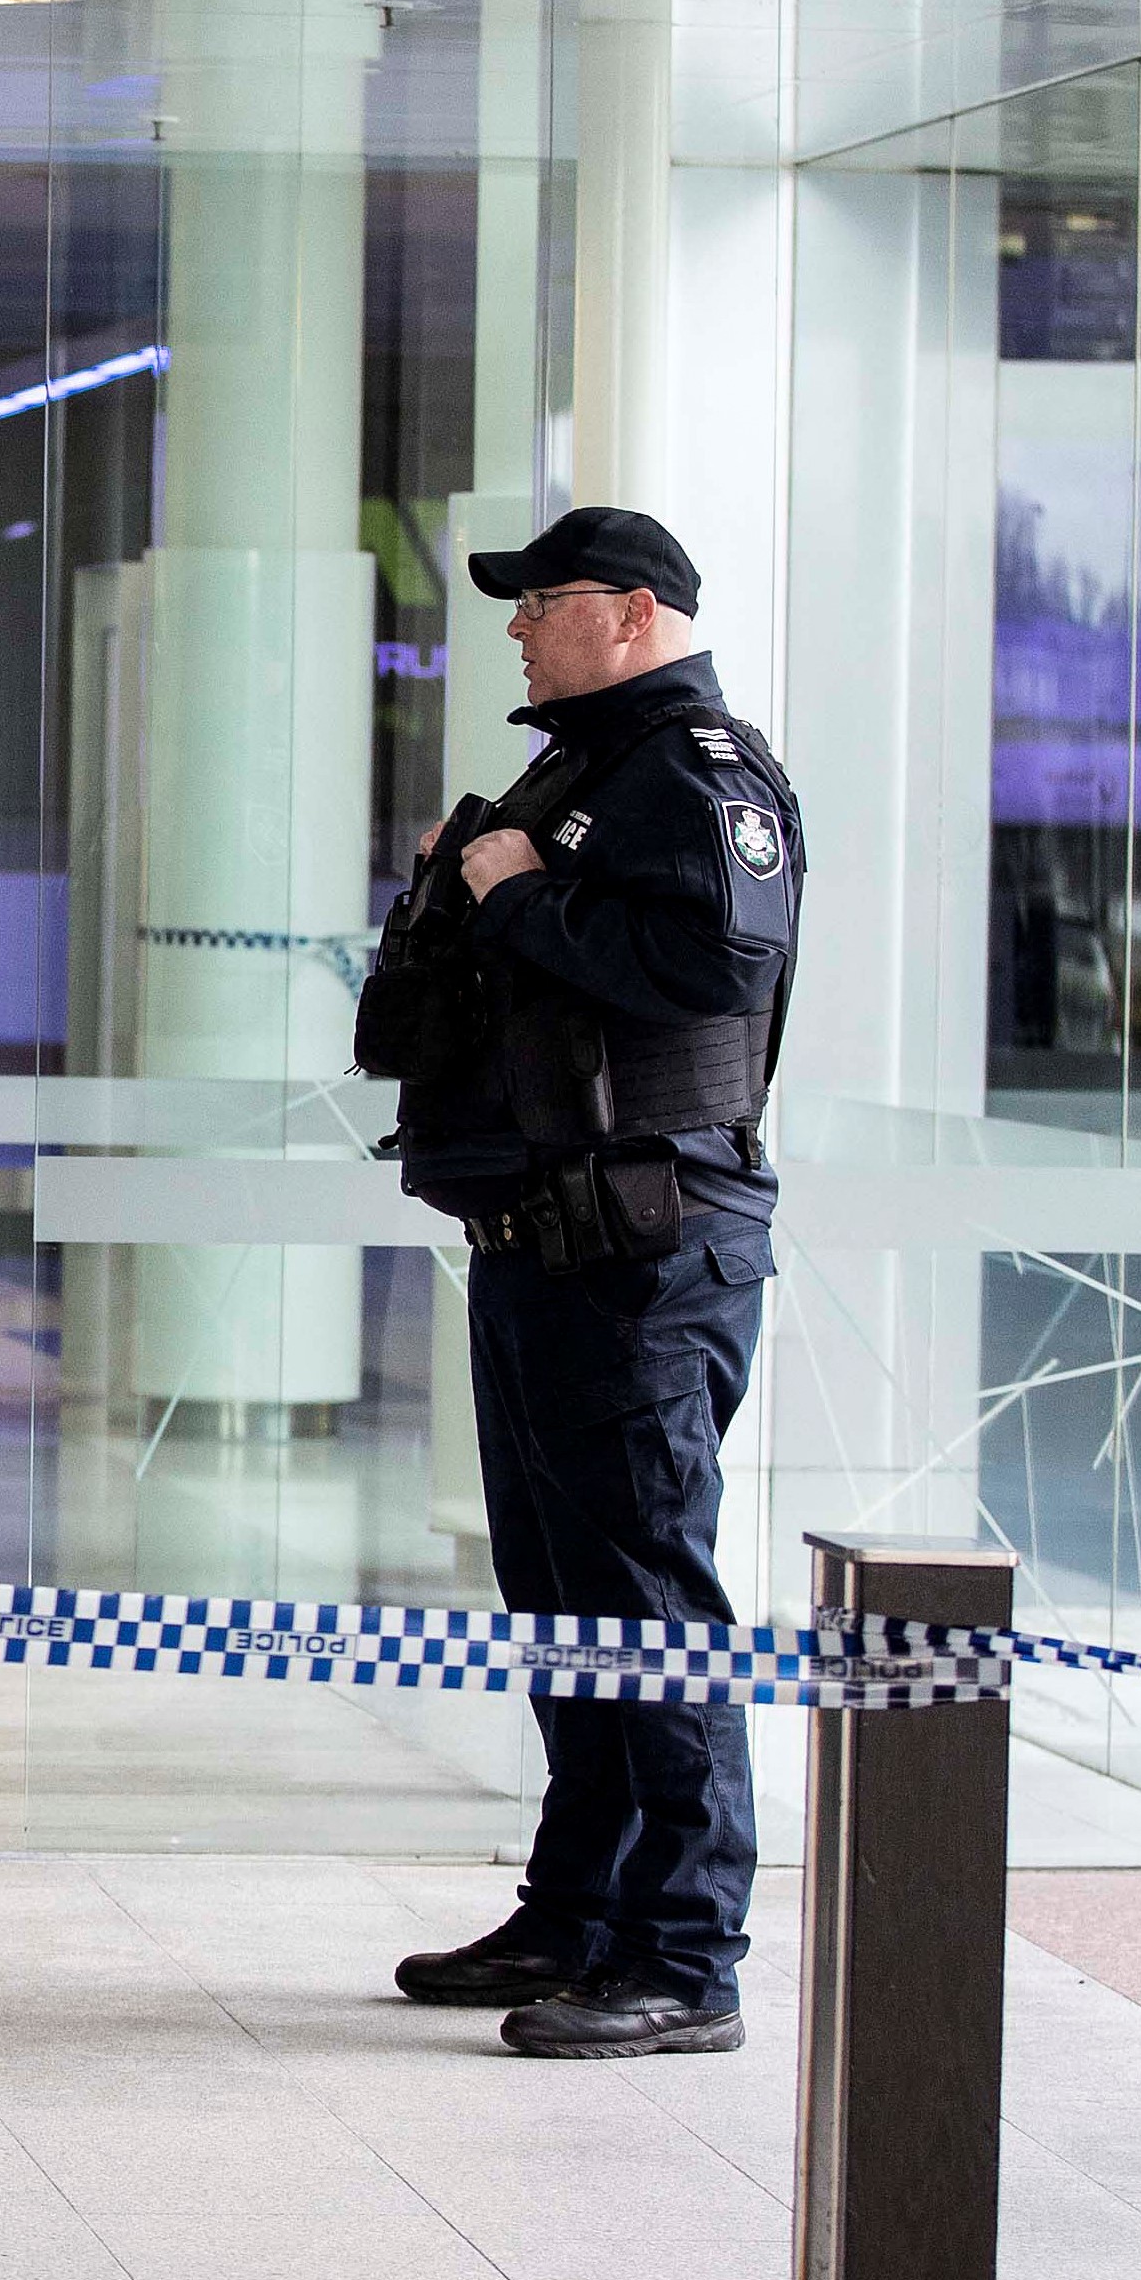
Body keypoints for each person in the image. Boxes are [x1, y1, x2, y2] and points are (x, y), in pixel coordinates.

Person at [366, 507, 804, 2061]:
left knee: (646, 1596)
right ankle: (579, 1906)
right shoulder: (576, 775)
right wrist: (465, 889)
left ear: (628, 614)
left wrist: (512, 892)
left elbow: (709, 976)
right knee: (561, 1598)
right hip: (537, 1238)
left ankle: (685, 1953)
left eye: (538, 603)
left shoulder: (696, 777)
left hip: (642, 1244)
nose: (514, 628)